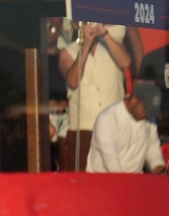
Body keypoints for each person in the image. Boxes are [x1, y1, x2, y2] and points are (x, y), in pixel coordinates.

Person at [58, 21, 136, 170]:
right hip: (84, 129)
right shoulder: (68, 52)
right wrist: (86, 46)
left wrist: (103, 33)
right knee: (85, 183)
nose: (88, 25)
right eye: (83, 23)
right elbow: (73, 81)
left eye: (90, 21)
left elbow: (126, 62)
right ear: (76, 26)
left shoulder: (112, 45)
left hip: (115, 127)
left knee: (116, 180)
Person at [87, 86, 163, 174]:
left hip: (135, 180)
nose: (148, 114)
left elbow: (152, 147)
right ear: (134, 100)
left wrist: (159, 168)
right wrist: (125, 183)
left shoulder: (149, 119)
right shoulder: (107, 119)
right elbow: (110, 160)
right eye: (146, 109)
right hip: (104, 179)